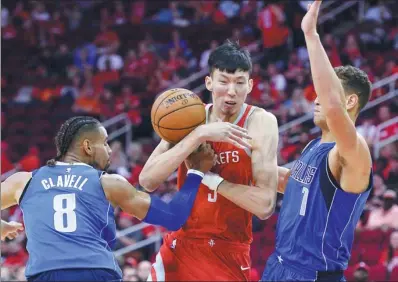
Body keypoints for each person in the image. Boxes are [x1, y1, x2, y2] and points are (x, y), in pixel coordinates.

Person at [1, 116, 215, 282]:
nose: (110, 150)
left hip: (44, 273)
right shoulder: (108, 182)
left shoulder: (23, 181)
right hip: (95, 271)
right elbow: (173, 217)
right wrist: (196, 172)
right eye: (104, 143)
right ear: (87, 146)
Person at [139, 40, 279, 281]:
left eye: (239, 83)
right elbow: (147, 180)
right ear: (209, 82)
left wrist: (210, 179)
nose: (231, 91)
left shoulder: (260, 122)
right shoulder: (189, 118)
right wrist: (198, 135)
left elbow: (265, 206)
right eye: (223, 81)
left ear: (251, 85)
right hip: (182, 244)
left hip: (228, 250)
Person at [262, 1, 373, 281]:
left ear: (349, 100)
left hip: (312, 274)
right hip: (278, 265)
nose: (316, 98)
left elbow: (333, 107)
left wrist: (311, 35)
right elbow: (295, 185)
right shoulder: (314, 146)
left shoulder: (353, 151)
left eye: (326, 91)